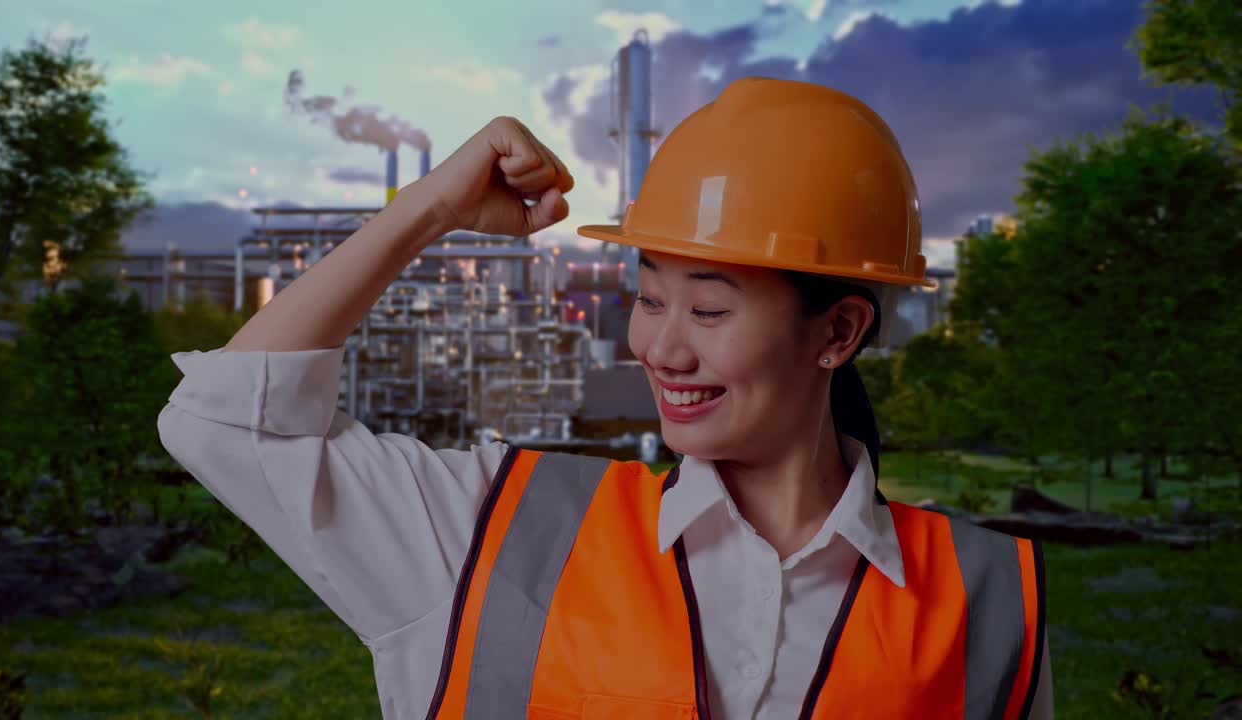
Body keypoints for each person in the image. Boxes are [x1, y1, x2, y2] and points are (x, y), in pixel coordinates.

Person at [158, 77, 1052, 719]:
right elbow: (223, 421)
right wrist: (428, 208)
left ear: (838, 333)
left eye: (708, 308)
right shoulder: (490, 532)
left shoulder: (987, 601)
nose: (660, 346)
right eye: (650, 297)